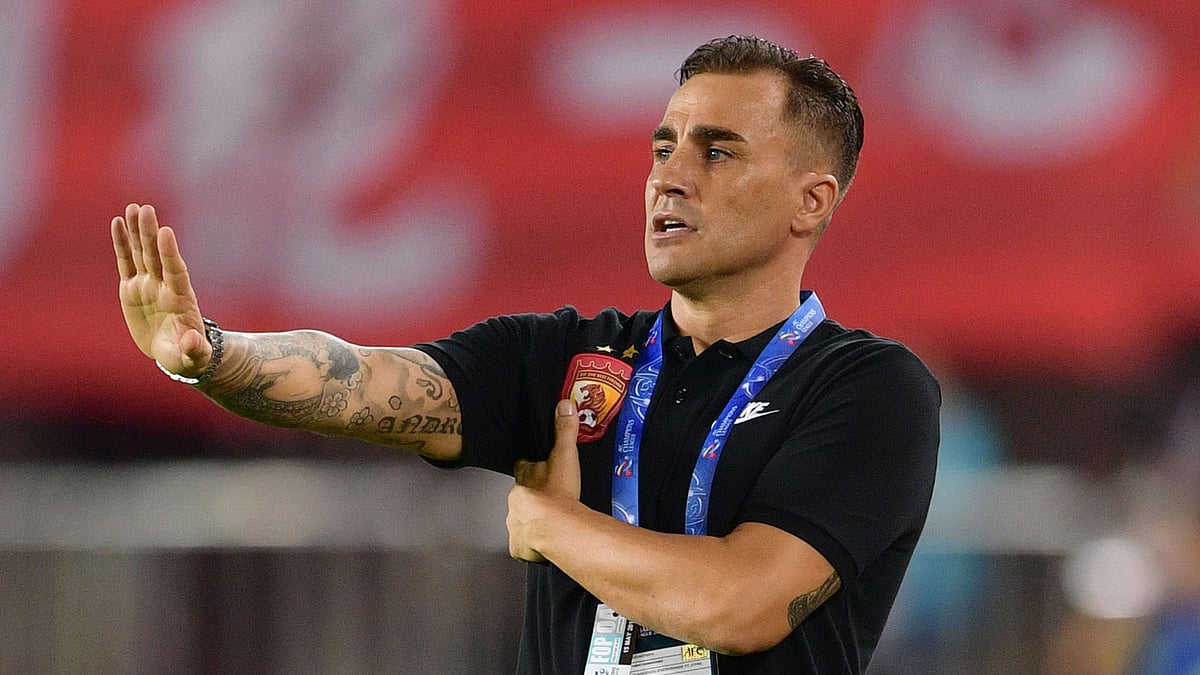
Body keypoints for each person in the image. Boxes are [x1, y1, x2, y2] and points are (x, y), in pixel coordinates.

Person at [111, 35, 940, 674]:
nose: (669, 176)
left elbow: (738, 603)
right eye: (662, 147)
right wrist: (212, 354)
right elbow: (366, 380)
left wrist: (550, 523)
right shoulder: (565, 356)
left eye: (716, 151)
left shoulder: (869, 389)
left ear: (810, 202)